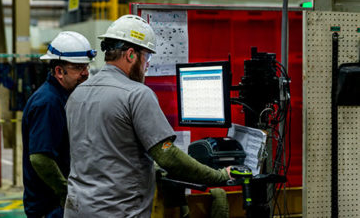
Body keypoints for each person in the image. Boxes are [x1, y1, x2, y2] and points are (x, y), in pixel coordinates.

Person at [64, 15, 232, 218]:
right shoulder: (136, 94)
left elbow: (103, 149)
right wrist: (220, 176)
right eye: (148, 57)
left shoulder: (77, 93)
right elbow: (167, 156)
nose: (148, 65)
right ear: (131, 55)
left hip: (76, 210)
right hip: (117, 212)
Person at [22, 31, 97, 218]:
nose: (86, 73)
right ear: (59, 72)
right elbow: (40, 158)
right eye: (79, 68)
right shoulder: (48, 103)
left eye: (86, 66)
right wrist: (66, 193)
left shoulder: (64, 97)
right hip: (49, 208)